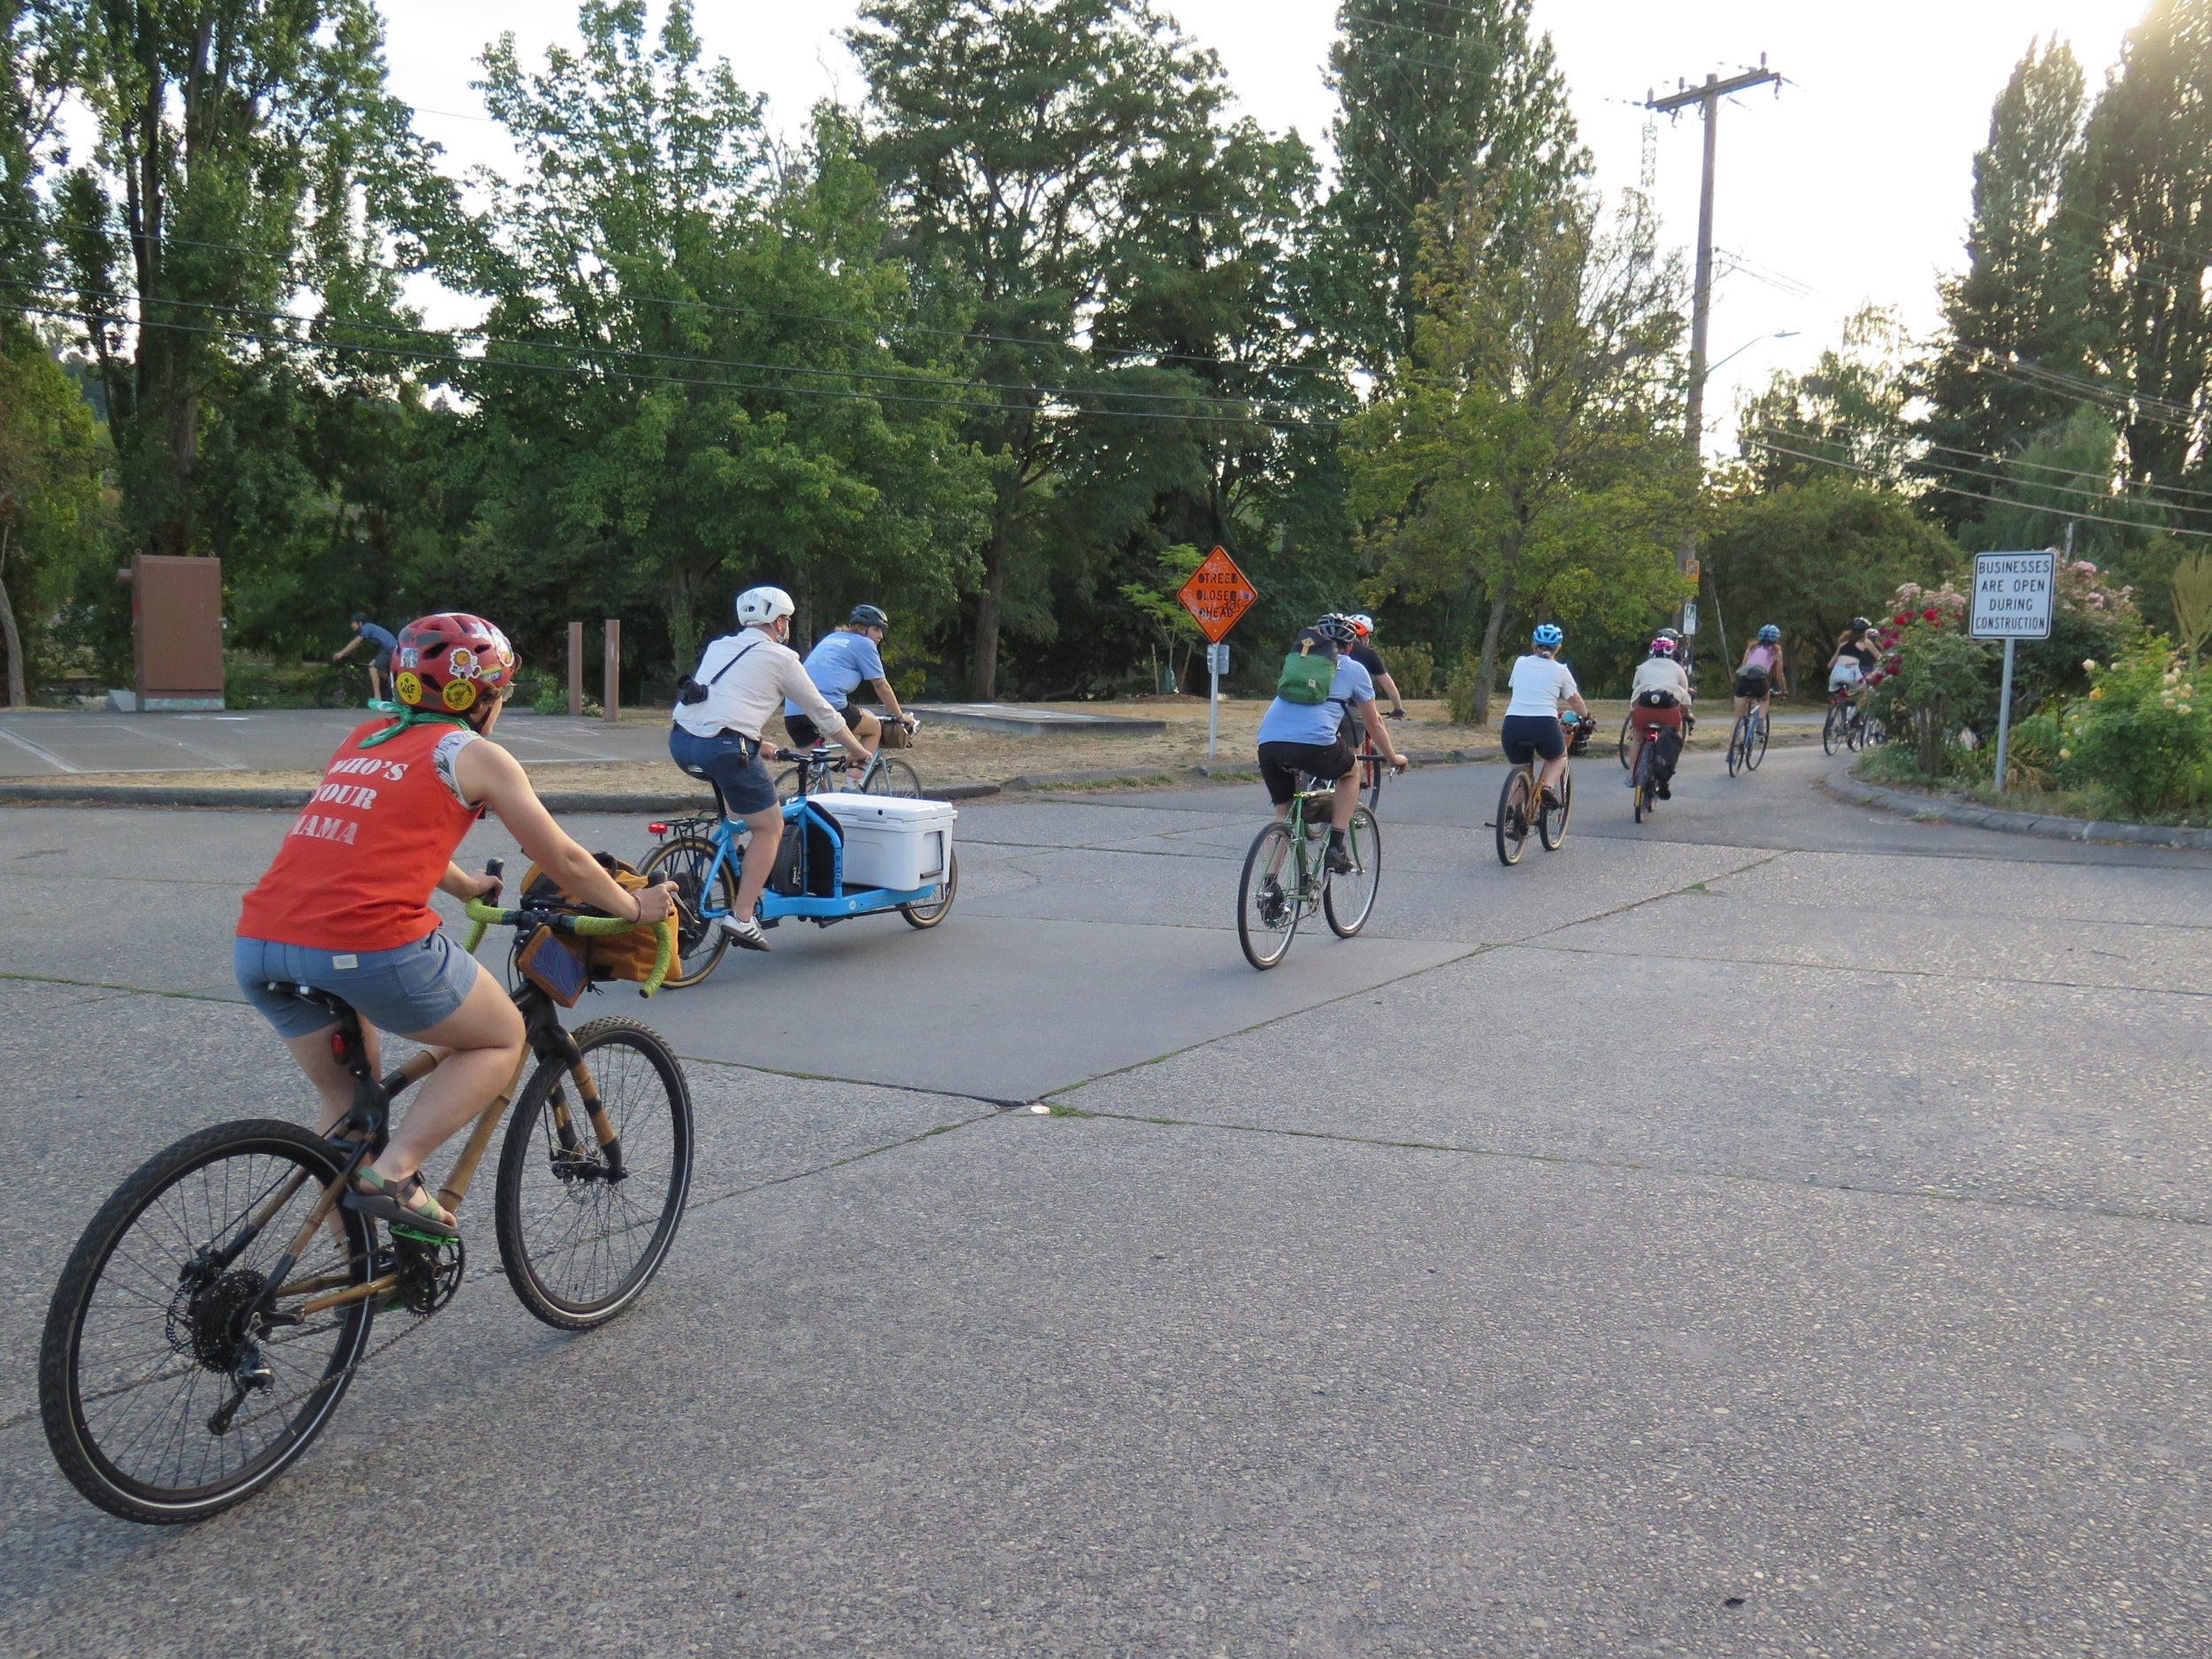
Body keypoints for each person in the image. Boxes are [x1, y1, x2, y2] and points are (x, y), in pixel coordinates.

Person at [234, 612, 679, 1241]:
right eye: (503, 693)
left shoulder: (367, 737)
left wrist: (465, 884)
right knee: (500, 1035)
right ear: (484, 697)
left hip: (261, 942)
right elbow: (566, 860)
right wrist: (637, 908)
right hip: (365, 942)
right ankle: (398, 1173)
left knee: (346, 1113)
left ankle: (353, 1270)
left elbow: (376, 833)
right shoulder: (475, 755)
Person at [671, 586, 871, 953]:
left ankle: (730, 871)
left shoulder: (720, 647)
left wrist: (759, 743)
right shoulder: (783, 658)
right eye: (787, 620)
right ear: (779, 622)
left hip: (682, 741)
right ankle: (743, 917)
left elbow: (722, 700)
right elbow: (823, 714)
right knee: (770, 826)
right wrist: (857, 750)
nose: (787, 626)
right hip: (725, 746)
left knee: (738, 808)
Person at [1256, 614, 1408, 895]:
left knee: (1283, 814)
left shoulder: (1299, 662)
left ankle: (1269, 885)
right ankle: (1336, 847)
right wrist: (1392, 756)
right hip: (1314, 743)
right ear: (1350, 647)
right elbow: (1373, 723)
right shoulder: (1354, 669)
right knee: (1351, 772)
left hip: (1268, 742)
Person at [784, 603, 916, 759]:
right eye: (876, 629)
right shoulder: (864, 644)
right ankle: (853, 782)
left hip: (793, 710)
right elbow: (881, 685)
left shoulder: (832, 638)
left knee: (813, 772)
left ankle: (815, 783)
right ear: (860, 628)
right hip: (826, 706)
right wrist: (900, 716)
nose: (881, 636)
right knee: (874, 728)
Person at [1500, 623, 1590, 805]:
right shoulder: (1561, 670)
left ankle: (1511, 818)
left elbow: (1514, 686)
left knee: (1520, 771)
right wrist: (1587, 717)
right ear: (1558, 647)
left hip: (1512, 724)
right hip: (1543, 725)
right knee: (1558, 757)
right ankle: (1547, 787)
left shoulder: (1520, 663)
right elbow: (1574, 699)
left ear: (1534, 644)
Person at [1628, 635, 1694, 800]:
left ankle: (1631, 776)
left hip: (1644, 711)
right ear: (1672, 652)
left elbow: (1636, 689)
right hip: (1668, 713)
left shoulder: (1642, 667)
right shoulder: (1678, 669)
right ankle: (1664, 778)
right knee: (1670, 740)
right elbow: (1683, 693)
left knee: (1637, 739)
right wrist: (1688, 715)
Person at [1345, 615, 1409, 719]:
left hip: (1330, 707)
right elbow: (1388, 684)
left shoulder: (1333, 650)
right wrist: (1398, 709)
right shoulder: (1369, 654)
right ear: (1365, 636)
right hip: (1356, 708)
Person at [333, 611, 399, 703]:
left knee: (373, 669)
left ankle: (377, 698)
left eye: (353, 623)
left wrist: (342, 653)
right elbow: (356, 645)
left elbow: (356, 642)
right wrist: (346, 653)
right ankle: (391, 684)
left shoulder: (367, 628)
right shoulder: (366, 629)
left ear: (360, 623)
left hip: (390, 649)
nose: (351, 625)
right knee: (371, 665)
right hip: (386, 648)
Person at [1734, 624, 1788, 726]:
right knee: (1765, 698)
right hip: (1759, 681)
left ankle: (1734, 740)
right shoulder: (1776, 652)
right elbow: (1779, 674)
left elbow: (1744, 665)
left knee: (1738, 717)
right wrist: (1783, 691)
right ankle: (1760, 721)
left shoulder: (1751, 648)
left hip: (1744, 680)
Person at [1829, 616, 1878, 693]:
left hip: (1835, 676)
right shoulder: (1866, 642)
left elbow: (1830, 665)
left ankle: (1838, 703)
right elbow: (1879, 657)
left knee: (1838, 694)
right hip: (1852, 677)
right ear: (1865, 631)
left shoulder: (1842, 643)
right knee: (1864, 694)